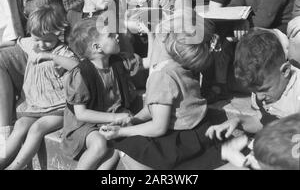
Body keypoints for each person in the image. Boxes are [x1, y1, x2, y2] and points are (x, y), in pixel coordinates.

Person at [99, 9, 225, 170]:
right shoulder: (184, 66)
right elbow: (157, 107)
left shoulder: (162, 76)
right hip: (199, 133)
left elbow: (158, 126)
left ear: (163, 38)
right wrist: (133, 120)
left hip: (179, 141)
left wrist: (121, 132)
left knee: (124, 144)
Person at [61, 18, 151, 170]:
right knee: (100, 144)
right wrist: (115, 117)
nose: (117, 36)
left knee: (118, 144)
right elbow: (81, 114)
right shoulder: (81, 74)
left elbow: (150, 62)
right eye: (110, 35)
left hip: (108, 118)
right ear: (97, 47)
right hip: (84, 125)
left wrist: (151, 34)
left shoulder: (118, 62)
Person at [0, 4, 77, 170]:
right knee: (20, 126)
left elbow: (77, 65)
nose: (41, 45)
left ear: (59, 34)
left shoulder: (62, 52)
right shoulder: (30, 44)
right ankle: (2, 160)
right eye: (37, 39)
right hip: (34, 105)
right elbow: (16, 42)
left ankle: (14, 167)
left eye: (48, 40)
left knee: (37, 129)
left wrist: (52, 56)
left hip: (58, 106)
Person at [206, 28, 300, 141]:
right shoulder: (264, 92)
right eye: (255, 91)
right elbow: (262, 121)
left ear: (285, 71)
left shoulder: (296, 95)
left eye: (265, 89)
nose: (259, 97)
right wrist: (238, 121)